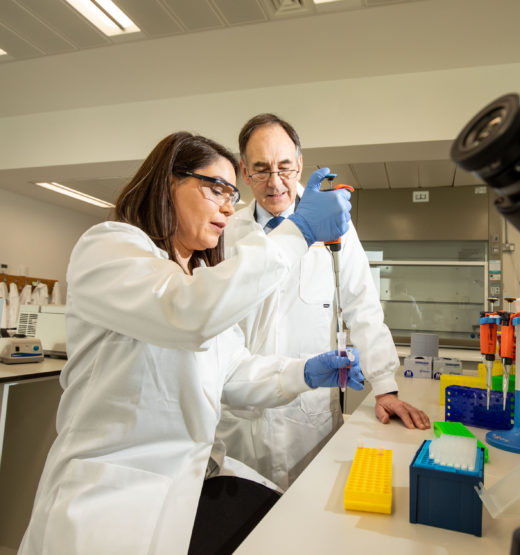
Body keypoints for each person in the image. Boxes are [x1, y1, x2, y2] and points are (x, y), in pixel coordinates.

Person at [18, 131, 364, 555]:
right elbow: (187, 313)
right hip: (108, 507)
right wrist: (298, 231)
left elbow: (233, 371)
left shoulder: (194, 278)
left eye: (232, 193)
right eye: (215, 188)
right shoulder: (110, 248)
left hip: (183, 494)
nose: (227, 205)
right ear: (168, 184)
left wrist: (304, 372)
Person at [215, 114, 430, 491]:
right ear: (244, 174)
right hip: (239, 415)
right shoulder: (226, 233)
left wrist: (385, 387)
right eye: (261, 170)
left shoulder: (334, 227)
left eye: (284, 167)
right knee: (243, 521)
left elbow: (362, 304)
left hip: (306, 413)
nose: (275, 182)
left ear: (300, 165)